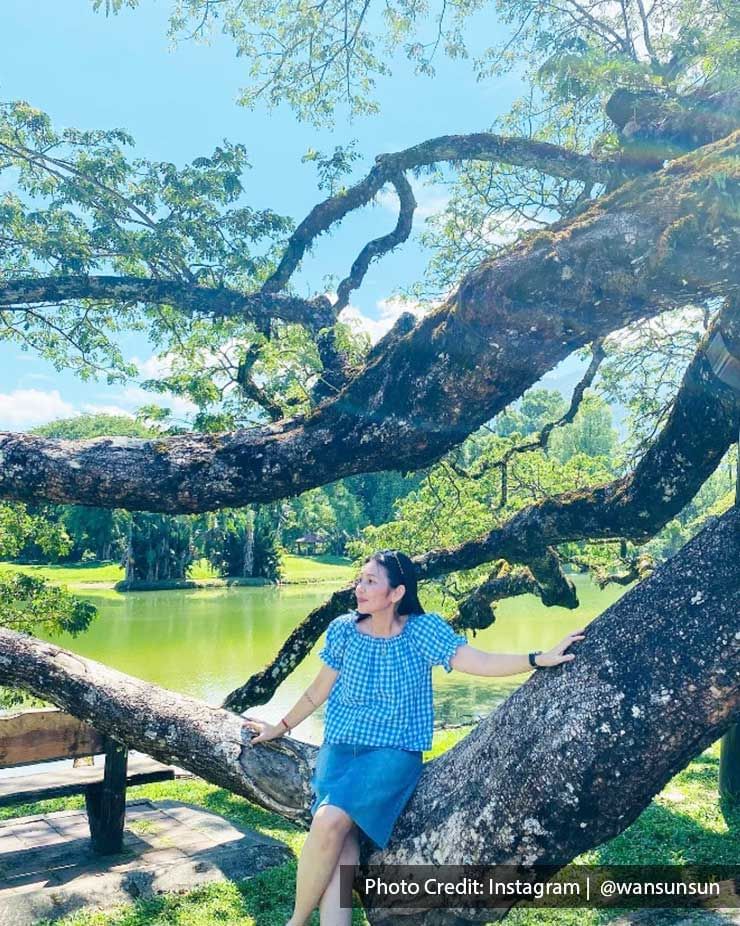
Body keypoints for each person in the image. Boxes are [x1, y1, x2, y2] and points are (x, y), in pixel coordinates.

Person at [242, 548, 586, 926]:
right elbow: (317, 690)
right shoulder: (342, 629)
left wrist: (536, 658)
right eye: (360, 579)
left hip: (391, 755)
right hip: (339, 751)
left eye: (371, 581)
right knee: (342, 846)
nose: (360, 588)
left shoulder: (423, 631)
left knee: (327, 822)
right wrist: (280, 727)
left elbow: (479, 661)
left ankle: (295, 921)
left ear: (397, 592)